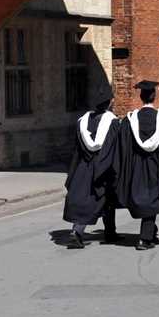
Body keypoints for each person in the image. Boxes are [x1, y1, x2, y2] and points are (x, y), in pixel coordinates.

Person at [117, 79, 159, 251]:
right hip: (156, 167)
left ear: (140, 97)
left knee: (142, 197)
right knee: (152, 198)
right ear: (153, 96)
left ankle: (150, 232)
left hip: (137, 167)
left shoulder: (130, 120)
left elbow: (123, 147)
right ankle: (144, 239)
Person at [62, 91, 120, 249]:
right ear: (109, 104)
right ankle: (85, 231)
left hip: (83, 165)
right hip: (103, 166)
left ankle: (102, 231)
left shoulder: (82, 121)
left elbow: (77, 148)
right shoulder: (113, 122)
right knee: (102, 198)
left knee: (88, 197)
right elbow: (115, 148)